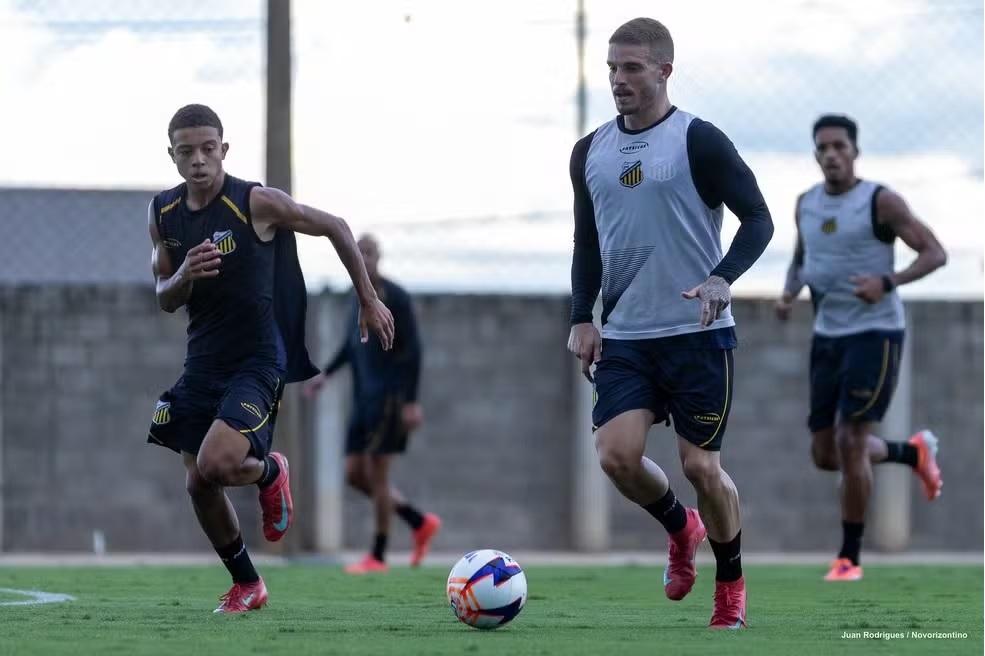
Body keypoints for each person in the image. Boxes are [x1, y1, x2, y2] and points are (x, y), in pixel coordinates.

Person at [567, 18, 774, 629]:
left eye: (632, 67)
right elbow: (587, 242)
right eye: (612, 68)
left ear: (664, 70)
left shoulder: (698, 141)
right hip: (626, 337)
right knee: (616, 457)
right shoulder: (589, 152)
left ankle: (730, 586)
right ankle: (681, 528)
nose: (618, 79)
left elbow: (758, 219)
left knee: (701, 468)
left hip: (697, 335)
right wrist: (582, 317)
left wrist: (722, 277)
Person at [147, 104, 394, 613]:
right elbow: (164, 295)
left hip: (258, 360)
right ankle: (248, 585)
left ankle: (267, 472)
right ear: (172, 156)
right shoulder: (163, 213)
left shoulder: (254, 202)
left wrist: (368, 298)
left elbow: (335, 225)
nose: (198, 160)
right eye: (187, 152)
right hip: (202, 362)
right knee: (197, 483)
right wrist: (185, 274)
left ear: (223, 150)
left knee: (215, 464)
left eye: (208, 149)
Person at [775, 114, 947, 582]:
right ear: (815, 155)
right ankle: (911, 453)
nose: (831, 155)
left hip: (875, 334)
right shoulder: (806, 204)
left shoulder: (880, 201)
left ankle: (849, 558)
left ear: (855, 152)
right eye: (823, 148)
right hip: (827, 335)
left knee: (852, 442)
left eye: (839, 146)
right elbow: (802, 258)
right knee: (825, 454)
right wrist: (788, 293)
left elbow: (935, 253)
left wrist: (887, 281)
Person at [304, 234, 441, 574]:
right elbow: (351, 346)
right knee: (354, 475)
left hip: (389, 399)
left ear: (379, 257)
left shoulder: (396, 297)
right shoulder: (356, 300)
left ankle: (377, 556)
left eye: (369, 252)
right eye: (359, 252)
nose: (364, 258)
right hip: (361, 400)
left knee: (379, 475)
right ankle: (418, 521)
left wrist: (411, 401)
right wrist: (326, 375)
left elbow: (414, 351)